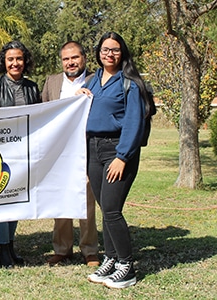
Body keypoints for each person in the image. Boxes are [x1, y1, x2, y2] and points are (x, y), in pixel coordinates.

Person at [76, 32, 152, 289]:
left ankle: (127, 267)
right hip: (93, 150)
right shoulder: (93, 79)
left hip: (116, 151)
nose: (110, 54)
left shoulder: (130, 82)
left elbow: (134, 122)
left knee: (111, 209)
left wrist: (122, 157)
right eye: (105, 49)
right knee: (104, 209)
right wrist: (80, 96)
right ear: (98, 52)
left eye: (115, 50)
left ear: (123, 53)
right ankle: (111, 258)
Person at [42, 41, 99, 267]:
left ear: (84, 58)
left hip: (86, 149)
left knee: (87, 200)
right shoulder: (52, 82)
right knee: (61, 200)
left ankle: (90, 250)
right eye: (66, 59)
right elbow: (43, 111)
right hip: (58, 152)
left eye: (74, 57)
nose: (70, 62)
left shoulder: (96, 80)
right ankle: (62, 249)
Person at [0, 40, 40, 268]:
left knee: (16, 199)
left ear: (24, 61)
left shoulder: (32, 87)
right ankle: (2, 250)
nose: (15, 63)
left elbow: (38, 117)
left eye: (19, 58)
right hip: (1, 151)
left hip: (23, 152)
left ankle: (10, 246)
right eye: (10, 59)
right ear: (4, 62)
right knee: (0, 201)